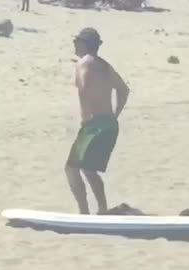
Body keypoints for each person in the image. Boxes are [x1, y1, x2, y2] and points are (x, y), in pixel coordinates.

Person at [65, 28, 130, 215]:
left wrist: (86, 116)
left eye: (77, 41)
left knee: (72, 169)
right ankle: (101, 210)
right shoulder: (105, 66)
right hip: (109, 124)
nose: (74, 45)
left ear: (85, 44)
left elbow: (84, 87)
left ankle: (84, 212)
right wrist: (114, 115)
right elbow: (124, 91)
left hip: (94, 124)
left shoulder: (84, 63)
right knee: (87, 169)